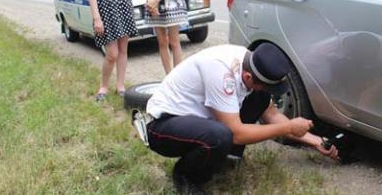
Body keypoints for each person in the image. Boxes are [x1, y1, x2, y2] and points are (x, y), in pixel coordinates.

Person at [145, 43, 339, 192]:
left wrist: (315, 141)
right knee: (221, 135)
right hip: (164, 125)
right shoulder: (222, 72)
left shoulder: (251, 62)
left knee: (259, 97)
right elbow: (236, 133)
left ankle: (227, 157)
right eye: (268, 85)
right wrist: (288, 128)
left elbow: (270, 114)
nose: (272, 92)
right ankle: (186, 176)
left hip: (198, 120)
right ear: (247, 77)